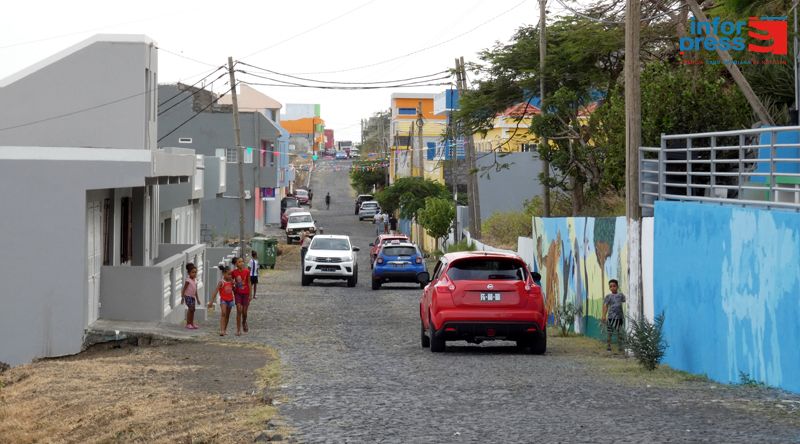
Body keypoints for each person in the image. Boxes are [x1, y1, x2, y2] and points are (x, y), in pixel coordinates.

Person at [208, 265, 235, 336]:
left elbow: (234, 290)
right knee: (223, 313)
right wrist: (211, 301)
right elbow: (215, 291)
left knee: (227, 315)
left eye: (230, 274)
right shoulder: (221, 282)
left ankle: (225, 329)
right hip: (223, 300)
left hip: (230, 300)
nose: (230, 276)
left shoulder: (231, 281)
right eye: (228, 274)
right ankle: (222, 330)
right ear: (224, 274)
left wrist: (234, 285)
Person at [601, 279, 626, 352]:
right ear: (609, 288)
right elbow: (605, 306)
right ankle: (608, 346)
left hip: (619, 317)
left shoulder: (621, 295)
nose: (612, 288)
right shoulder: (608, 296)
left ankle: (620, 347)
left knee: (619, 332)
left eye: (614, 286)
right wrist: (603, 315)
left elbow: (626, 301)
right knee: (609, 333)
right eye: (611, 286)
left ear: (617, 286)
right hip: (611, 317)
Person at [231, 257, 251, 336]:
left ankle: (244, 321)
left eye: (242, 261)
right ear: (236, 264)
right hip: (238, 294)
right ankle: (238, 330)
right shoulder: (234, 272)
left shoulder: (247, 271)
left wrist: (250, 294)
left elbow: (249, 282)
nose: (241, 263)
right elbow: (231, 281)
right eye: (239, 262)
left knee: (244, 312)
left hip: (246, 293)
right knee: (239, 310)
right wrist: (233, 288)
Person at [181, 263, 201, 329]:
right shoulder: (188, 280)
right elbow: (184, 289)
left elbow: (195, 290)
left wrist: (197, 299)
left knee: (193, 310)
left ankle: (192, 323)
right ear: (189, 273)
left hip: (193, 297)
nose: (194, 274)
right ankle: (188, 323)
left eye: (195, 272)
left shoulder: (195, 280)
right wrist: (182, 297)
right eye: (193, 272)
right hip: (187, 296)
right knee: (191, 309)